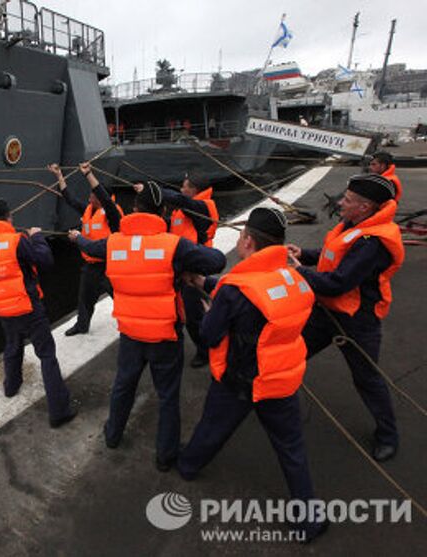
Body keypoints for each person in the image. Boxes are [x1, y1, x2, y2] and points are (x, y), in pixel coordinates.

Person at [178, 208, 326, 541]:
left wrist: (208, 310)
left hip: (241, 381)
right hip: (282, 380)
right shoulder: (294, 277)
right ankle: (309, 520)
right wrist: (207, 284)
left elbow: (210, 335)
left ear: (247, 240)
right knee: (291, 449)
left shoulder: (234, 290)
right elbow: (258, 296)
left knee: (213, 428)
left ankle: (187, 466)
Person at [71, 182, 226, 471]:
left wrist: (76, 238)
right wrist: (184, 267)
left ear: (134, 209)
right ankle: (166, 456)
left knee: (123, 386)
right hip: (164, 336)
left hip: (130, 333)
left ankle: (113, 435)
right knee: (168, 396)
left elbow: (90, 246)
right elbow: (217, 260)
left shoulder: (113, 243)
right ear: (164, 211)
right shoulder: (173, 245)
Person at [288, 174, 404, 462]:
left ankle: (388, 435)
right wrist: (305, 253)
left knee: (366, 378)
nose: (341, 203)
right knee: (292, 352)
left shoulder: (372, 242)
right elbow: (333, 254)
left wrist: (297, 270)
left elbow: (339, 282)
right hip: (326, 310)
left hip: (356, 319)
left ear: (365, 207)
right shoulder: (355, 225)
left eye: (348, 200)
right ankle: (266, 397)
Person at [0, 199, 78, 428]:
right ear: (9, 217)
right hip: (27, 307)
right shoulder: (17, 240)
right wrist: (37, 237)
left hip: (2, 308)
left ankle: (11, 386)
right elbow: (45, 260)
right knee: (46, 354)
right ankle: (59, 411)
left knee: (12, 346)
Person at [48, 161, 123, 336]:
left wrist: (88, 174)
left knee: (121, 298)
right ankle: (82, 326)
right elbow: (70, 199)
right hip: (92, 265)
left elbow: (104, 199)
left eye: (94, 196)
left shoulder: (113, 213)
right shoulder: (89, 209)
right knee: (85, 298)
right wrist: (59, 176)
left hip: (111, 265)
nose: (90, 198)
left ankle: (130, 325)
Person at [162, 172, 219, 367]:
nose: (181, 189)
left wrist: (153, 190)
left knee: (194, 313)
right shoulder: (182, 210)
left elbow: (181, 200)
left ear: (194, 190)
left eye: (184, 186)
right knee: (179, 307)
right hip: (180, 263)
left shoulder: (202, 207)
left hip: (195, 266)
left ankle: (205, 351)